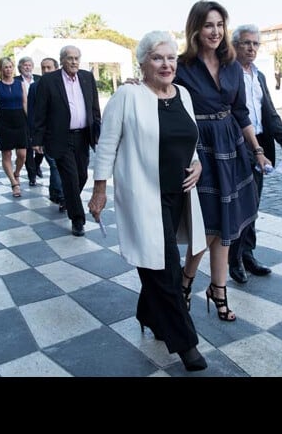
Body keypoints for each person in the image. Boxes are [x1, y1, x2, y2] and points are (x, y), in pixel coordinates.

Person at [88, 30, 208, 372]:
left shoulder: (183, 94)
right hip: (144, 197)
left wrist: (197, 162)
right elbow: (107, 144)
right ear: (143, 63)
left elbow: (188, 138)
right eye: (158, 58)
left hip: (180, 195)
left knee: (157, 263)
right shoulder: (128, 95)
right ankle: (187, 346)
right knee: (165, 269)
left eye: (171, 57)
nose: (166, 64)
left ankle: (147, 313)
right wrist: (99, 190)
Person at [175, 0, 272, 322]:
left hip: (231, 149)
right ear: (196, 29)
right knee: (206, 228)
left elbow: (241, 111)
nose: (215, 31)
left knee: (227, 226)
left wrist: (257, 150)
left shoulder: (231, 64)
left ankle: (218, 289)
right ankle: (185, 280)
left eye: (219, 25)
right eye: (208, 25)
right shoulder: (181, 66)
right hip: (200, 152)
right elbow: (166, 102)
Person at [228, 24, 282, 284]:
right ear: (235, 45)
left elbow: (269, 112)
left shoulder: (259, 75)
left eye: (256, 44)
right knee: (240, 204)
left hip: (261, 146)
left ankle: (248, 254)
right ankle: (233, 259)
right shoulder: (228, 73)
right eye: (246, 43)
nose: (252, 48)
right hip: (238, 146)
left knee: (253, 204)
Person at [33, 45, 101, 237]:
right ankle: (77, 219)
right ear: (62, 60)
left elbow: (94, 109)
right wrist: (37, 139)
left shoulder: (87, 78)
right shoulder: (49, 81)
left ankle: (68, 200)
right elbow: (40, 112)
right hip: (60, 137)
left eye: (77, 58)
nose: (74, 62)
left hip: (83, 136)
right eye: (70, 58)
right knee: (70, 178)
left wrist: (97, 131)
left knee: (82, 176)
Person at [28, 57, 65, 211]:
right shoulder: (35, 87)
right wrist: (35, 138)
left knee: (60, 166)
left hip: (63, 132)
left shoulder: (64, 84)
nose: (45, 71)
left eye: (49, 67)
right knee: (55, 165)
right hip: (46, 134)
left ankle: (55, 192)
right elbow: (32, 114)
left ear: (56, 68)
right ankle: (63, 197)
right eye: (43, 68)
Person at [0, 57, 29, 198]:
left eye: (10, 66)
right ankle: (14, 183)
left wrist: (30, 122)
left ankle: (17, 173)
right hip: (4, 121)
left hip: (20, 120)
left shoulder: (20, 84)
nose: (8, 69)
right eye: (5, 67)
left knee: (22, 154)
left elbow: (25, 103)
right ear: (1, 69)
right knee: (6, 154)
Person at [16, 55, 43, 186]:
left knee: (41, 145)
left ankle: (37, 164)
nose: (27, 67)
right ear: (20, 68)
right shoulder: (15, 81)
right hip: (22, 119)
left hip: (38, 117)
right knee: (28, 148)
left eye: (29, 65)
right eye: (24, 65)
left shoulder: (39, 79)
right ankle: (32, 176)